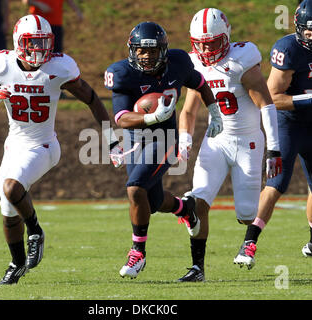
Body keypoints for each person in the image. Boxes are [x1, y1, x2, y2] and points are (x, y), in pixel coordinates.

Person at [0, 14, 122, 285]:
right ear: (20, 43)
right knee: (8, 213)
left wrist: (112, 140)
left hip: (44, 146)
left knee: (12, 188)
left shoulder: (59, 67)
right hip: (14, 146)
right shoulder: (1, 65)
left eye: (44, 43)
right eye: (33, 43)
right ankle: (17, 263)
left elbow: (92, 99)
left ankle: (35, 231)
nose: (39, 49)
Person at [104, 21, 223, 279]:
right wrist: (150, 118)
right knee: (153, 201)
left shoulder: (177, 63)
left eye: (153, 51)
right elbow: (122, 118)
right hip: (137, 138)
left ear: (164, 51)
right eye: (141, 51)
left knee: (135, 188)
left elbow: (199, 81)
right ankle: (185, 208)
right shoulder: (122, 73)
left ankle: (138, 253)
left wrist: (214, 111)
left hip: (166, 138)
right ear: (132, 51)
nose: (147, 57)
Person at [177, 8, 282, 282]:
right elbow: (188, 110)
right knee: (198, 201)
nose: (205, 50)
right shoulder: (194, 64)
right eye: (199, 44)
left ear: (225, 37)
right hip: (216, 141)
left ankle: (250, 240)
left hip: (247, 141)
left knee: (247, 213)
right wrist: (185, 141)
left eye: (211, 43)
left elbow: (266, 105)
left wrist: (274, 148)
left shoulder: (241, 59)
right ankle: (197, 268)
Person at [237, 0, 312, 266]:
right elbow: (272, 97)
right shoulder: (288, 49)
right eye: (309, 31)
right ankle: (248, 243)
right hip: (289, 122)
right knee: (277, 183)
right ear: (299, 28)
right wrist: (307, 99)